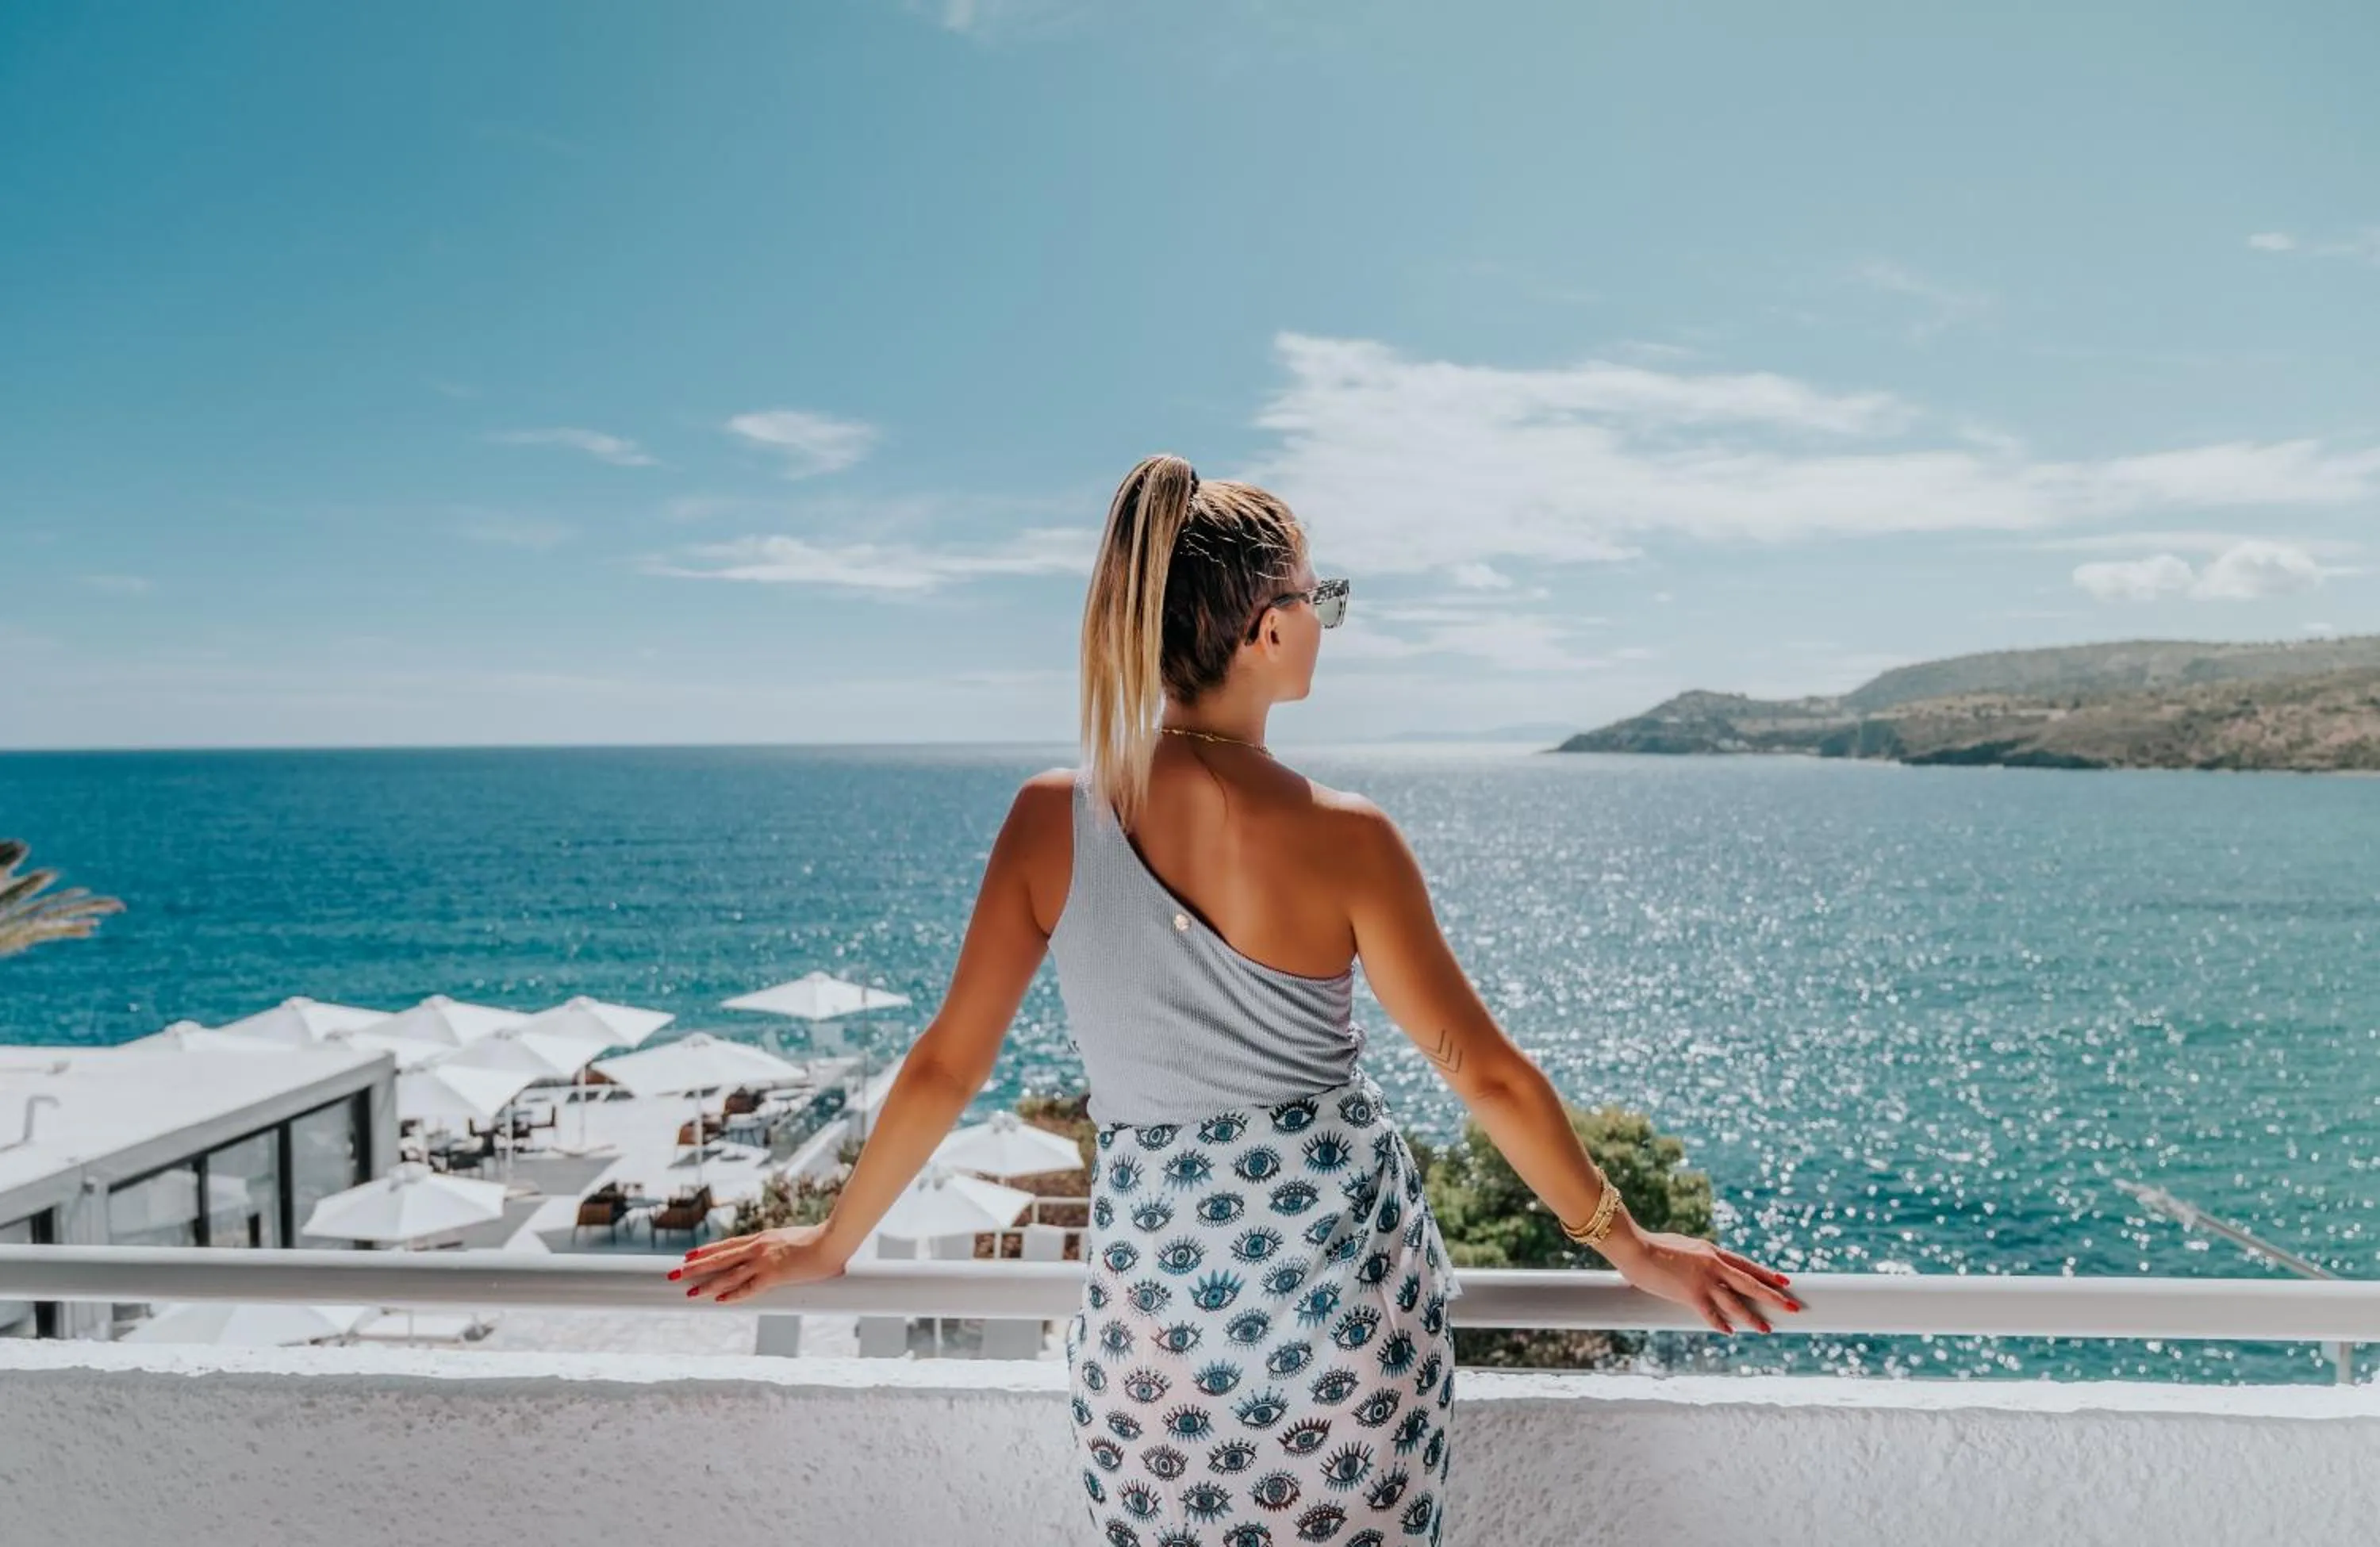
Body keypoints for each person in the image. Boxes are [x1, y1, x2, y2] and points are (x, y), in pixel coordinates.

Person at [669, 453, 1803, 1541]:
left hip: (1155, 1320)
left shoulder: (1044, 823)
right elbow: (1486, 1074)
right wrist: (1633, 1245)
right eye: (1321, 598)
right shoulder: (1348, 837)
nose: (1327, 620)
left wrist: (832, 1239)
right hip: (1345, 1307)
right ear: (1266, 629)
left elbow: (944, 1068)